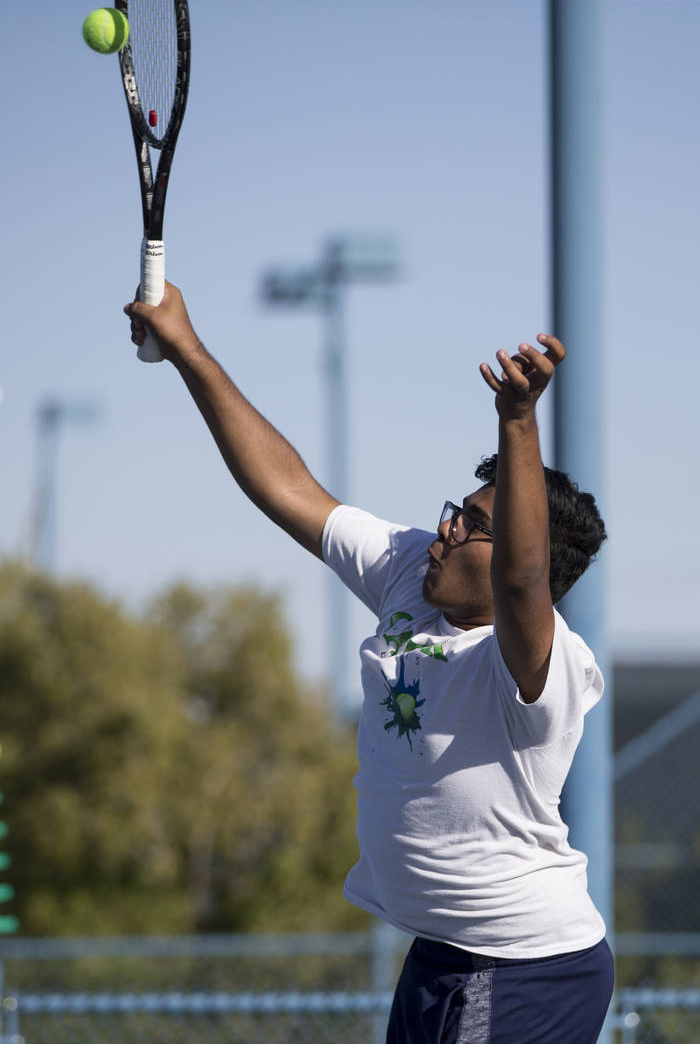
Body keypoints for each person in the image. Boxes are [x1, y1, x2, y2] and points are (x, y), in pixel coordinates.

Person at [124, 283, 614, 1044]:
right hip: (441, 957)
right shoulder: (411, 570)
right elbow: (287, 488)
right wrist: (187, 347)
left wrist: (518, 420)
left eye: (476, 525)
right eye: (459, 507)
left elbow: (522, 579)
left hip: (519, 968)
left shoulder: (540, 666)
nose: (448, 527)